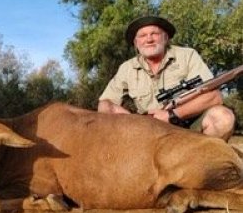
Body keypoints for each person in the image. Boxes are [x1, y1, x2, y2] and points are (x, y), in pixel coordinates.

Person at [98, 15, 235, 141]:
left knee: (223, 118)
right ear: (135, 43)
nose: (149, 39)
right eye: (142, 35)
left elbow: (214, 97)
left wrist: (172, 115)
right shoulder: (127, 68)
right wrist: (134, 121)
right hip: (146, 132)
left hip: (188, 127)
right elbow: (104, 104)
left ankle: (202, 164)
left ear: (166, 37)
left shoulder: (187, 56)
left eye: (155, 34)